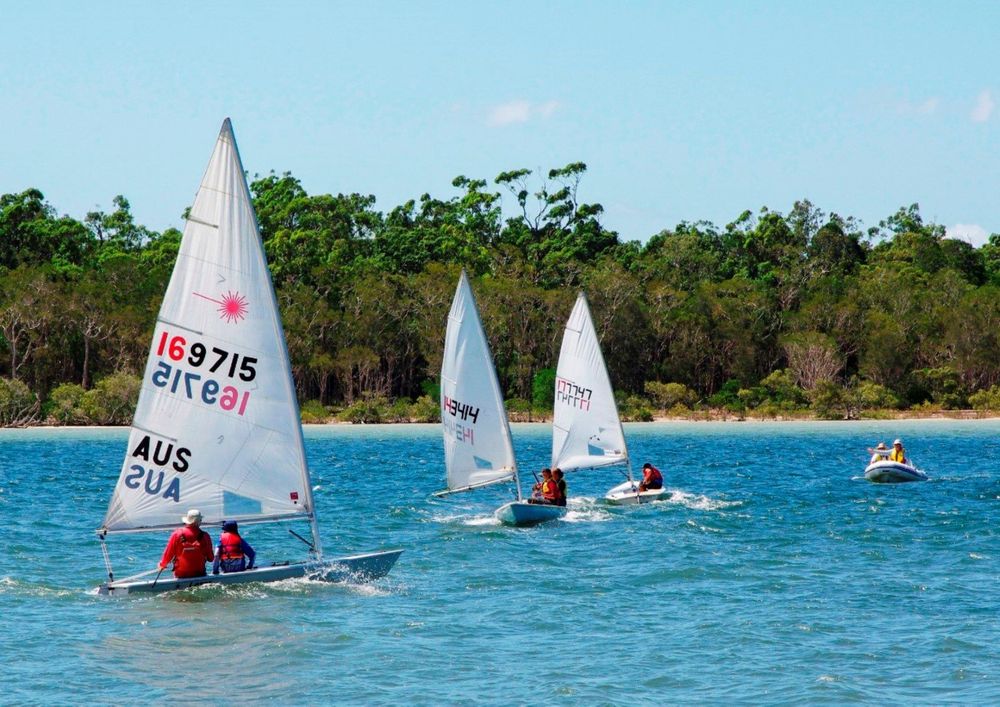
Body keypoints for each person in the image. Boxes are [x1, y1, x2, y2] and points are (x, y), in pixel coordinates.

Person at [159, 509, 214, 579]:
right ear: (199, 521)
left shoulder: (177, 534)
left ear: (187, 521)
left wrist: (162, 565)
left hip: (181, 575)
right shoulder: (205, 536)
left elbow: (168, 554)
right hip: (200, 574)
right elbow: (211, 558)